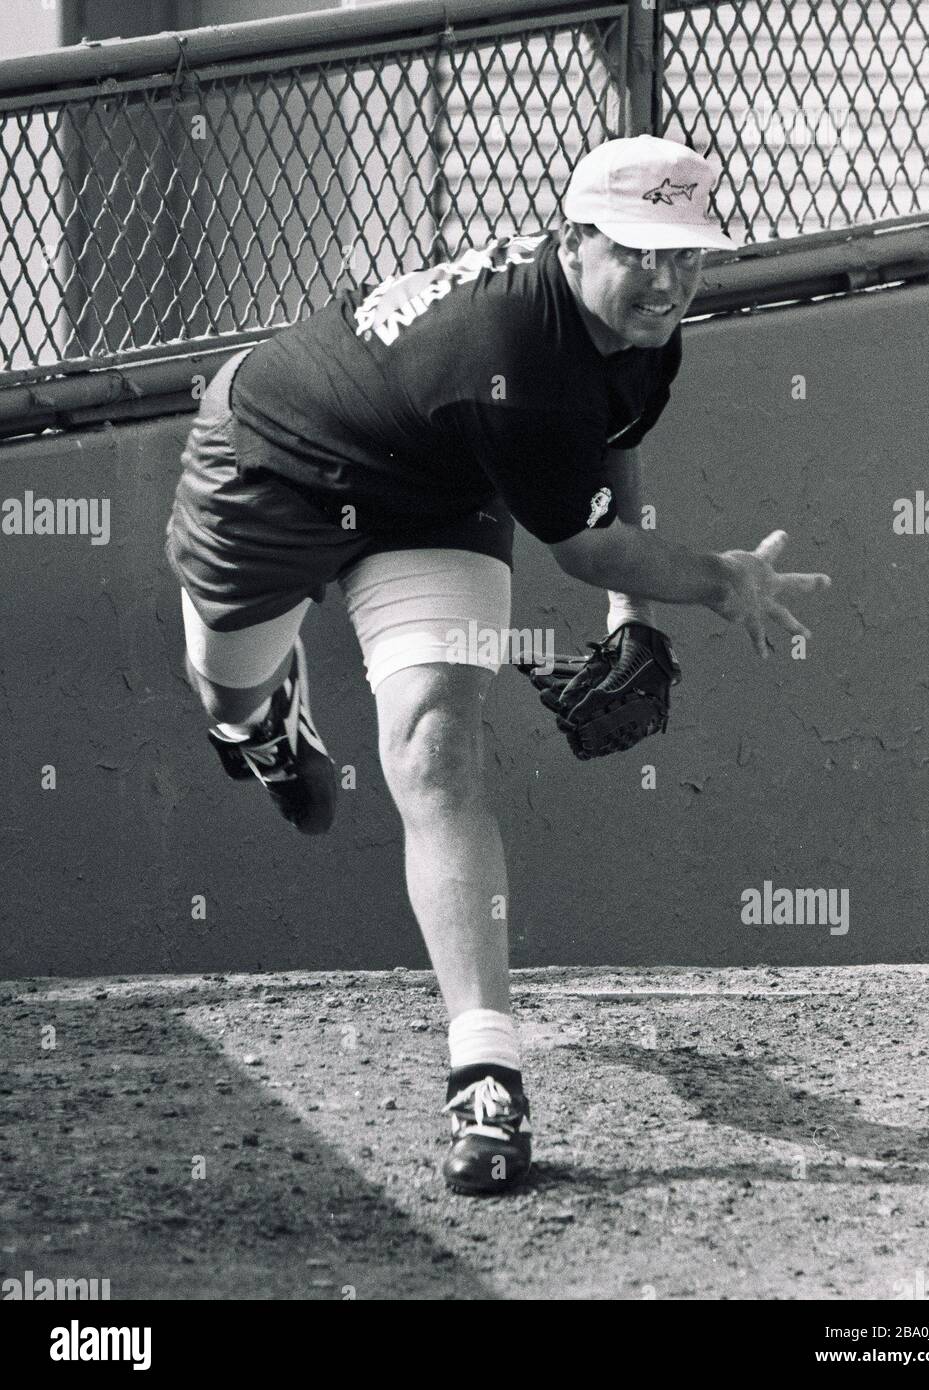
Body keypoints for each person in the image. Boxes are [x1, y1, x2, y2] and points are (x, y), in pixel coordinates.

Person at [165, 134, 831, 1196]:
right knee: (226, 690)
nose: (666, 279)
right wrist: (712, 580)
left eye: (688, 255)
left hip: (434, 494)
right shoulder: (514, 348)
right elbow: (581, 539)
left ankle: (486, 1077)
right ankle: (261, 719)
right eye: (638, 250)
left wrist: (628, 617)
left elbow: (607, 442)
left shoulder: (639, 325)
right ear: (573, 241)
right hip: (274, 466)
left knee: (437, 751)